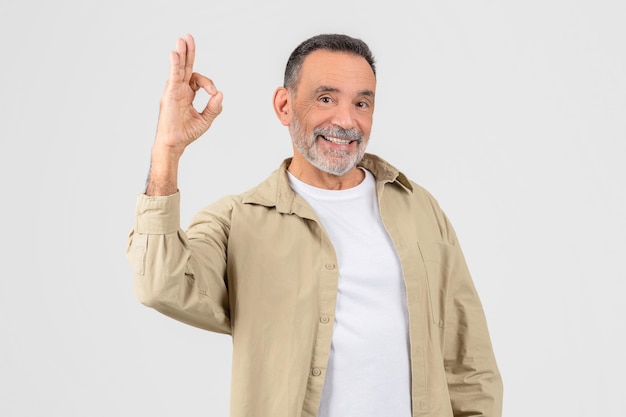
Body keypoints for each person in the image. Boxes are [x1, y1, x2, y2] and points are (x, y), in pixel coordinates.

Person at [126, 33, 503, 417]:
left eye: (362, 102)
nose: (346, 120)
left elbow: (468, 362)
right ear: (285, 106)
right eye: (326, 99)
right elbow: (159, 285)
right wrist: (166, 151)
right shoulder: (237, 222)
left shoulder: (419, 208)